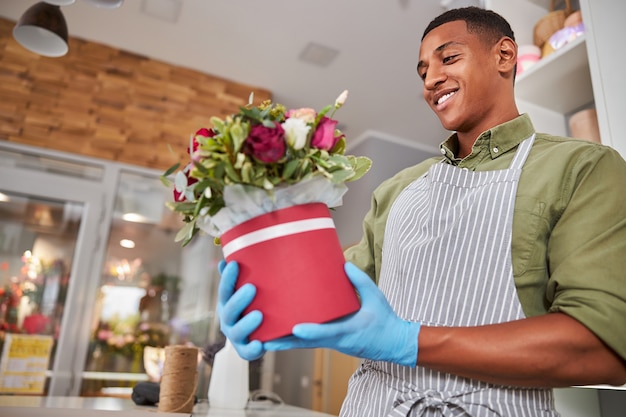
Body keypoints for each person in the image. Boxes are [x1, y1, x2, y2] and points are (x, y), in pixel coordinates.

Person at [216, 6, 626, 416]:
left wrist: (406, 340)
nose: (431, 79)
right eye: (423, 71)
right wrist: (263, 300)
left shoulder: (581, 169)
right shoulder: (397, 190)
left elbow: (603, 347)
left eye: (448, 58)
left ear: (504, 56)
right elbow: (329, 295)